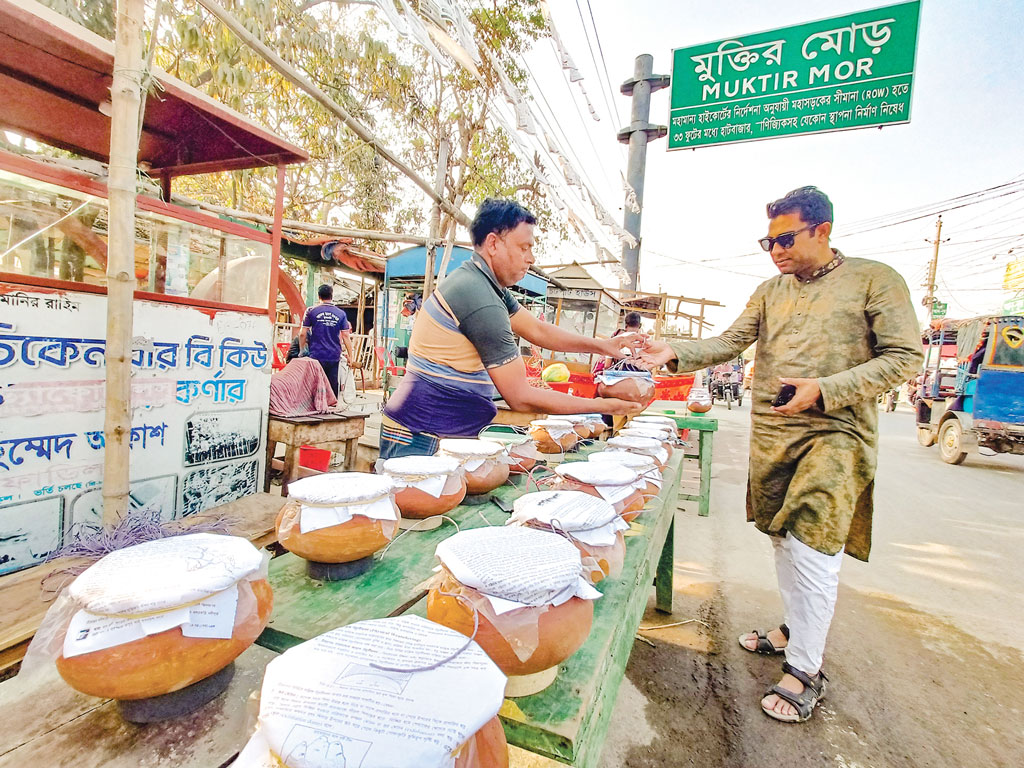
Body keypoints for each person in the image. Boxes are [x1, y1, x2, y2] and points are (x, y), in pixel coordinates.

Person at [639, 186, 923, 723]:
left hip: (836, 432)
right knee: (782, 537)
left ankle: (806, 670)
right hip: (773, 434)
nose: (775, 251)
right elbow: (729, 342)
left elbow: (906, 357)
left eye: (785, 238)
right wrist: (675, 351)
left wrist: (825, 388)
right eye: (768, 241)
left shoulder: (875, 280)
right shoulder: (771, 290)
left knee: (815, 544)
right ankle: (795, 627)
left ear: (823, 230)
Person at [381, 198, 645, 459]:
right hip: (421, 434)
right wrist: (599, 406)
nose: (530, 258)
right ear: (494, 243)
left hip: (441, 430)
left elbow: (538, 331)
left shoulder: (486, 284)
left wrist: (601, 346)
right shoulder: (478, 296)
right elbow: (520, 397)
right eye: (524, 247)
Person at [299, 284, 356, 401]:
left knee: (314, 385)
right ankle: (331, 411)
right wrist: (351, 356)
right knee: (331, 387)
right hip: (334, 356)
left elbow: (302, 333)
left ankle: (315, 410)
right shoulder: (341, 313)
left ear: (319, 296)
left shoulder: (311, 311)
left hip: (316, 356)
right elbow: (346, 336)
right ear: (331, 296)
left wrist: (301, 350)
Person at [593, 311, 642, 375]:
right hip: (637, 378)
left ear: (626, 326)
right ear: (640, 325)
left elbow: (607, 365)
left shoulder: (617, 339)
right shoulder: (643, 341)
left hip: (618, 377)